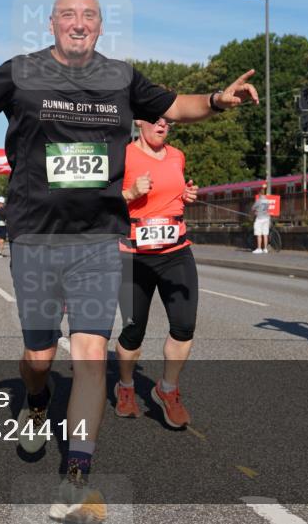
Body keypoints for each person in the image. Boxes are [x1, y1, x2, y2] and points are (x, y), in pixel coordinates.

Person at [0, 0, 257, 520]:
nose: (78, 22)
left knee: (90, 354)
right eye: (68, 14)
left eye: (89, 15)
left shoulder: (121, 77)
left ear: (100, 26)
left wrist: (217, 101)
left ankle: (77, 477)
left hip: (98, 238)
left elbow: (176, 106)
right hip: (36, 237)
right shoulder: (21, 72)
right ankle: (37, 401)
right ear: (51, 24)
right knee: (39, 359)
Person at [115, 118, 200, 428]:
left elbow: (170, 195)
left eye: (168, 119)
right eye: (156, 118)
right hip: (133, 256)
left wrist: (185, 195)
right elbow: (98, 204)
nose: (163, 124)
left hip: (176, 252)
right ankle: (126, 386)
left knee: (184, 326)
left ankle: (167, 388)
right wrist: (129, 193)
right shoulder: (121, 155)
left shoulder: (177, 156)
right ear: (139, 120)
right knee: (133, 331)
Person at [252, 182, 271, 254]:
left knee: (259, 234)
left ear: (260, 193)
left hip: (259, 219)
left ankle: (259, 248)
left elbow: (253, 208)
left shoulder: (258, 200)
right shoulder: (267, 201)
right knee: (265, 234)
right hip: (266, 218)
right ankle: (265, 249)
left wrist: (256, 211)